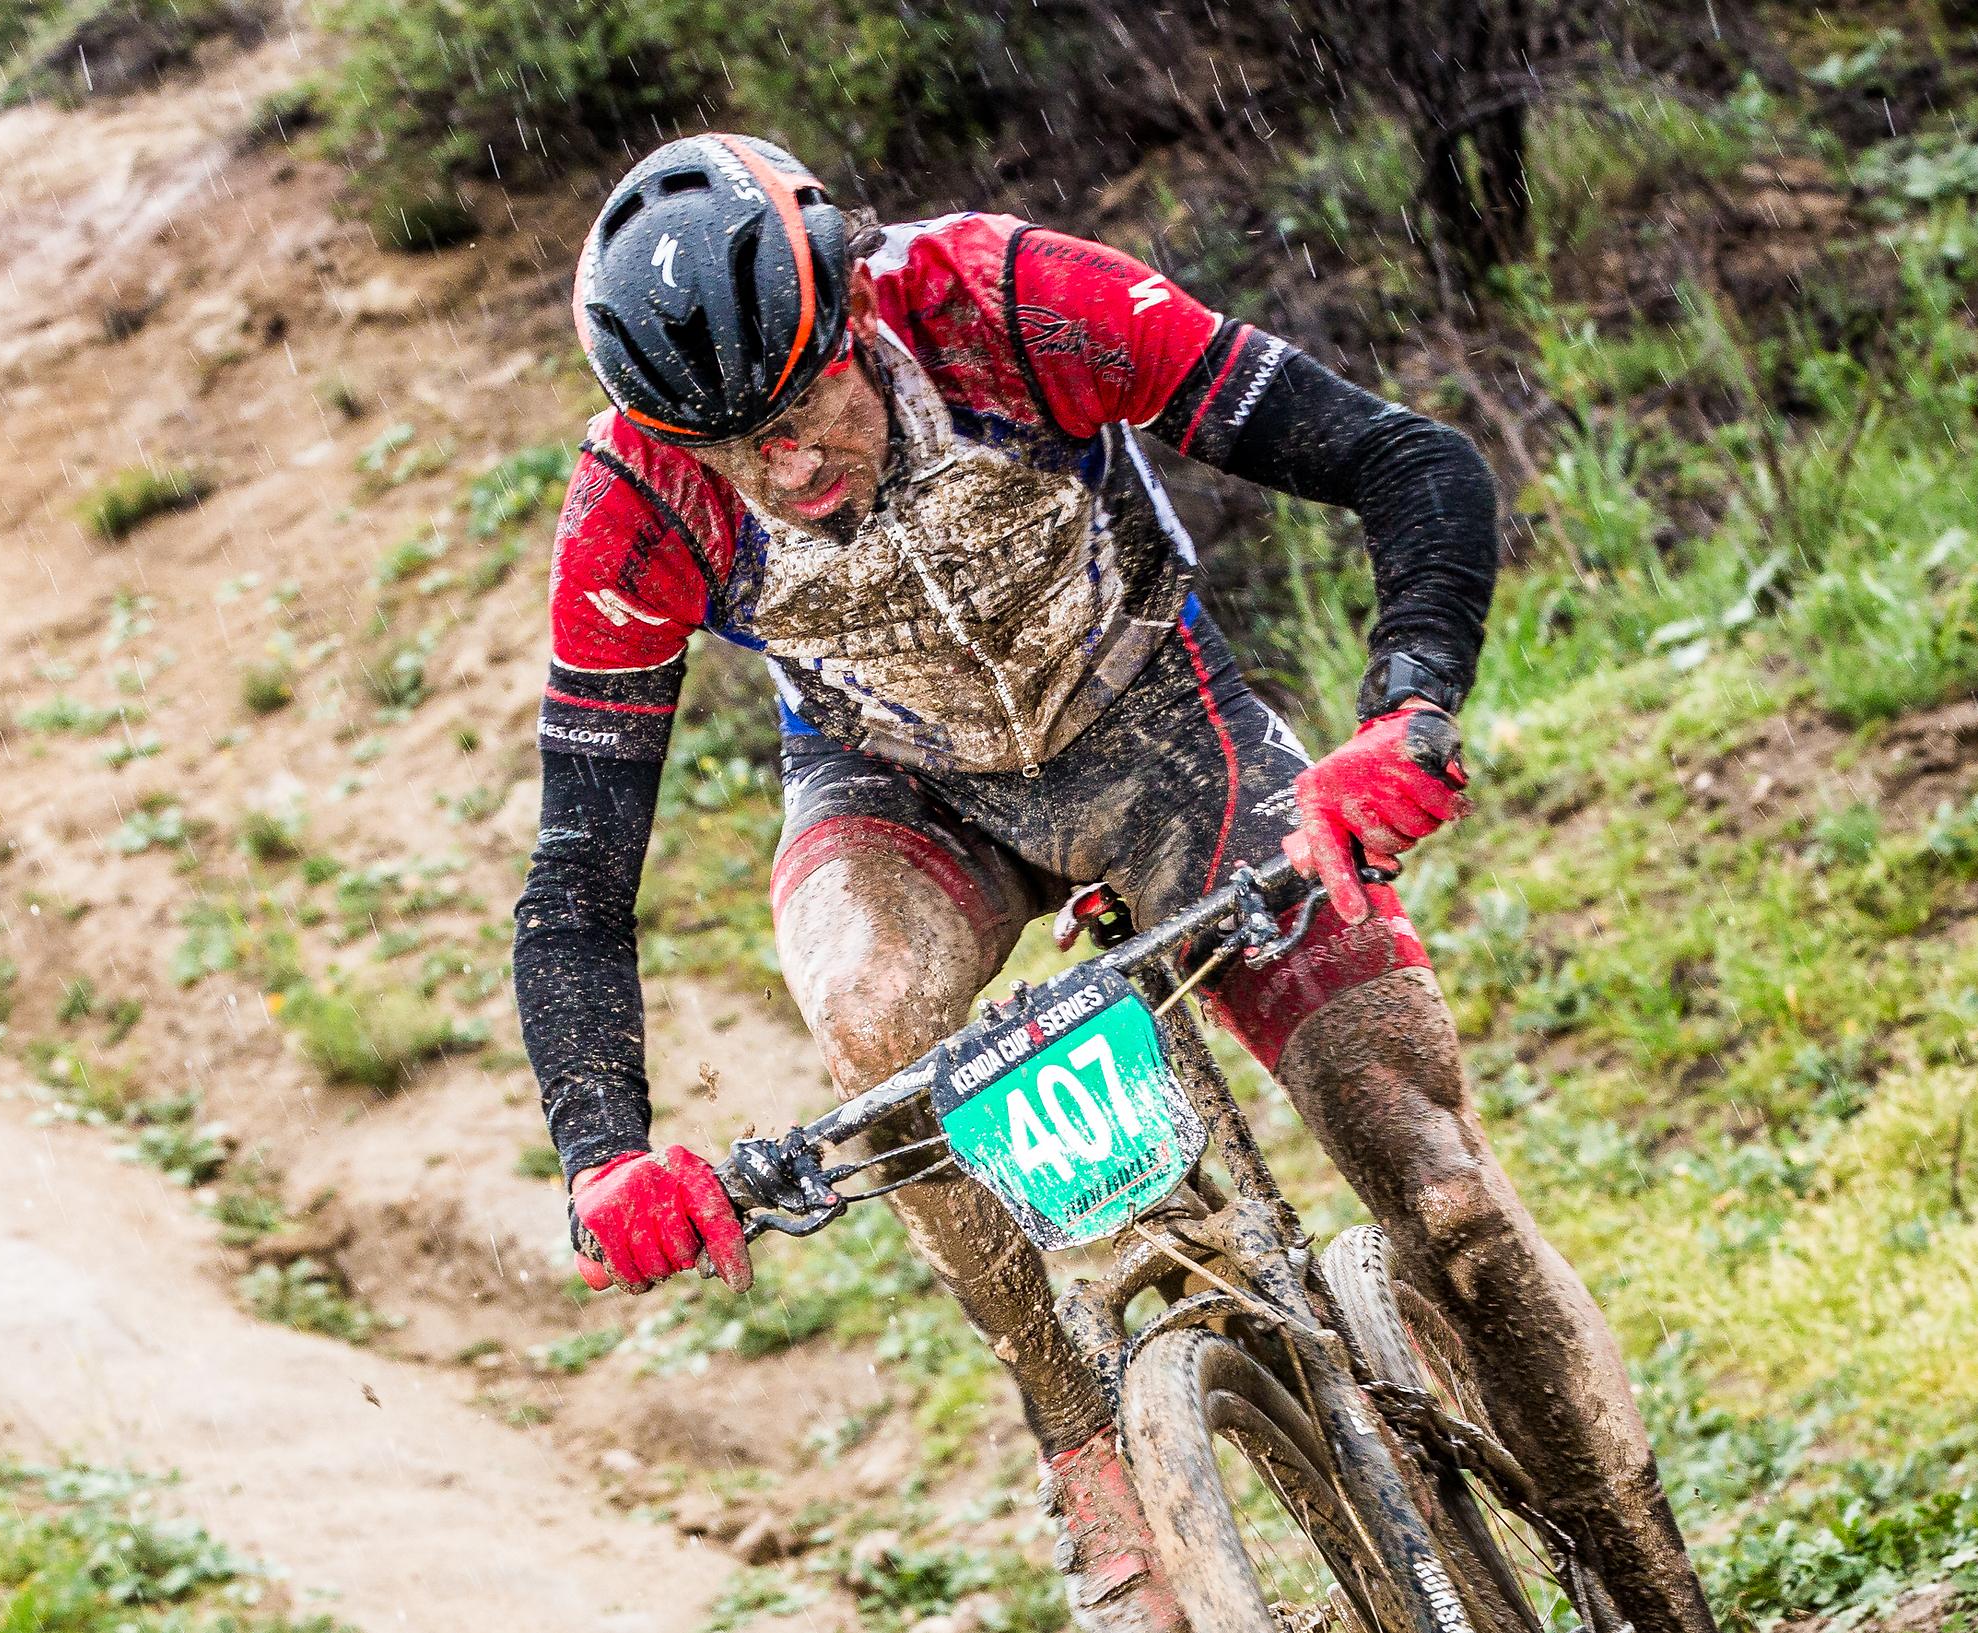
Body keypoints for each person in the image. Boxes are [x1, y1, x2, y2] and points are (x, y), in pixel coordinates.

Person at [511, 133, 1713, 1633]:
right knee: (871, 1011)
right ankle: (1078, 1429)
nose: (785, 467)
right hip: (901, 794)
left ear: (859, 317)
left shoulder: (1007, 303)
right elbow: (574, 872)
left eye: (801, 402)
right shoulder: (633, 506)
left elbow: (1409, 464)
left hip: (1164, 730)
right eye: (728, 445)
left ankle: (1656, 1593)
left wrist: (1404, 713)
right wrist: (603, 1154)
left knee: (1446, 1194)